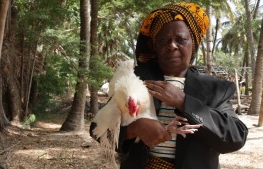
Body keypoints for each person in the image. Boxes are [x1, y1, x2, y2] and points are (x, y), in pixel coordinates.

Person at [91, 2, 248, 169]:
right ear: (156, 46)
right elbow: (97, 130)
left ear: (192, 44)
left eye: (181, 39)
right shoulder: (134, 78)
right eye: (164, 40)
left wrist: (183, 101)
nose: (172, 45)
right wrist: (135, 128)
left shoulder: (215, 89)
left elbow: (236, 137)